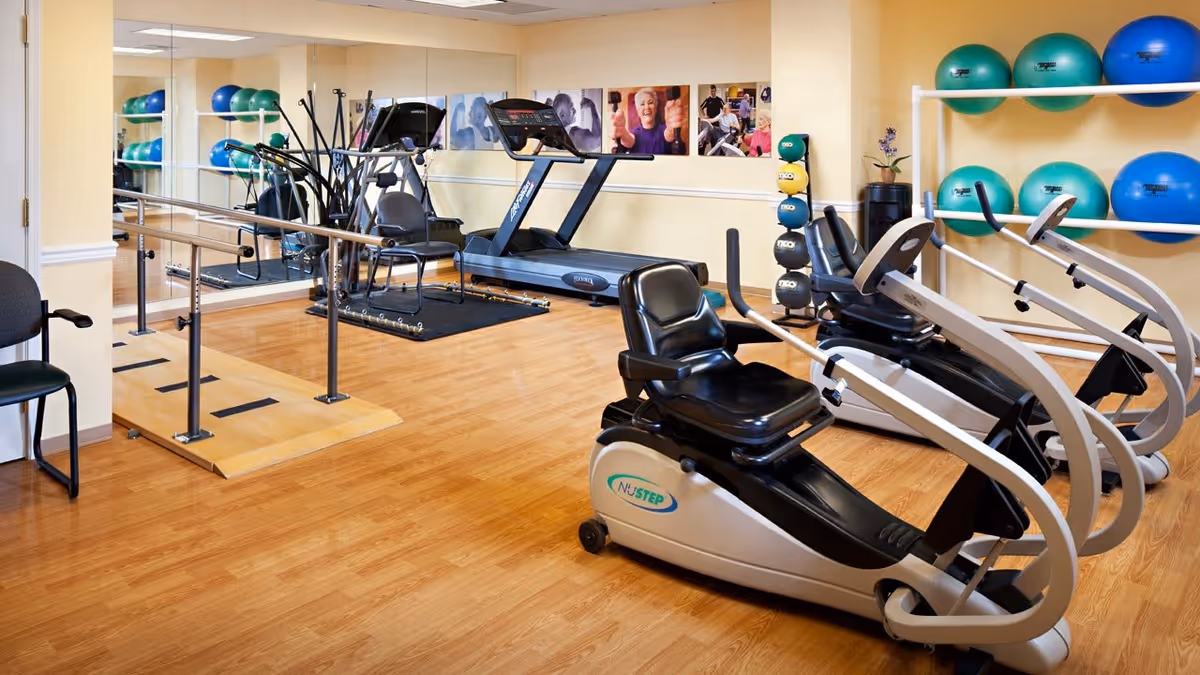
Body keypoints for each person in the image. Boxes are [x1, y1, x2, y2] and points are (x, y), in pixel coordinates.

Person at [611, 88, 685, 155]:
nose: (647, 107)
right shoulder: (634, 134)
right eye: (642, 104)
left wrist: (672, 127)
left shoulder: (664, 129)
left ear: (656, 107)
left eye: (650, 103)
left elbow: (669, 134)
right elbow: (628, 139)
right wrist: (622, 133)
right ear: (638, 111)